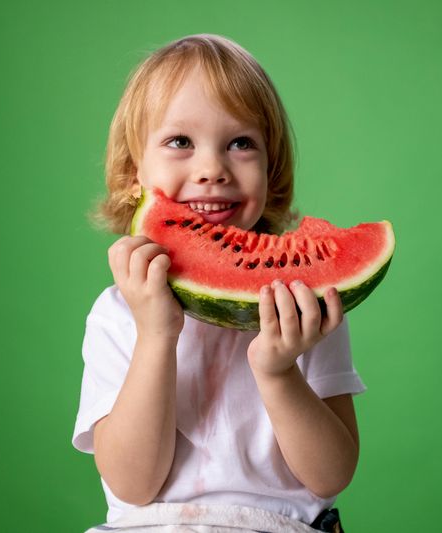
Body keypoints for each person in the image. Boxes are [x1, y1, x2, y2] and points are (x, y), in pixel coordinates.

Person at [72, 34, 365, 533]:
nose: (212, 169)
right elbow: (132, 484)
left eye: (241, 143)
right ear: (132, 175)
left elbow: (331, 474)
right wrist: (156, 334)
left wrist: (278, 372)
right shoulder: (117, 314)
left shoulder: (303, 309)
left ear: (271, 173)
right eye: (179, 142)